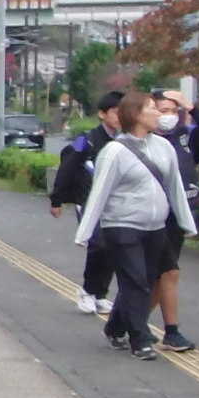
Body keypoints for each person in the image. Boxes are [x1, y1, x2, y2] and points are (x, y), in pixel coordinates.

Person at [74, 93, 194, 361]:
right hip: (121, 225)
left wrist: (186, 222)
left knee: (144, 281)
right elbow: (99, 193)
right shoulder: (114, 152)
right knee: (136, 280)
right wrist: (86, 233)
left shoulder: (164, 147)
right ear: (135, 115)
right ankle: (139, 338)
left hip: (155, 227)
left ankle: (115, 326)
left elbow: (175, 187)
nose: (159, 113)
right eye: (152, 108)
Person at [142, 89, 199, 354]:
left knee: (163, 275)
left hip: (175, 218)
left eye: (173, 111)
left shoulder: (182, 139)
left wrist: (188, 106)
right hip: (146, 218)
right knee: (162, 273)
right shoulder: (134, 143)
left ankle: (130, 323)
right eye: (161, 110)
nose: (167, 116)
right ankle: (166, 330)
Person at [50, 91, 123, 315]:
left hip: (116, 205)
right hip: (88, 202)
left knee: (112, 248)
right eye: (114, 112)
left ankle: (100, 294)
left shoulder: (125, 140)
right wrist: (57, 199)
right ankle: (87, 291)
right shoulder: (87, 139)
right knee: (98, 244)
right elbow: (68, 168)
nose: (119, 116)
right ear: (102, 114)